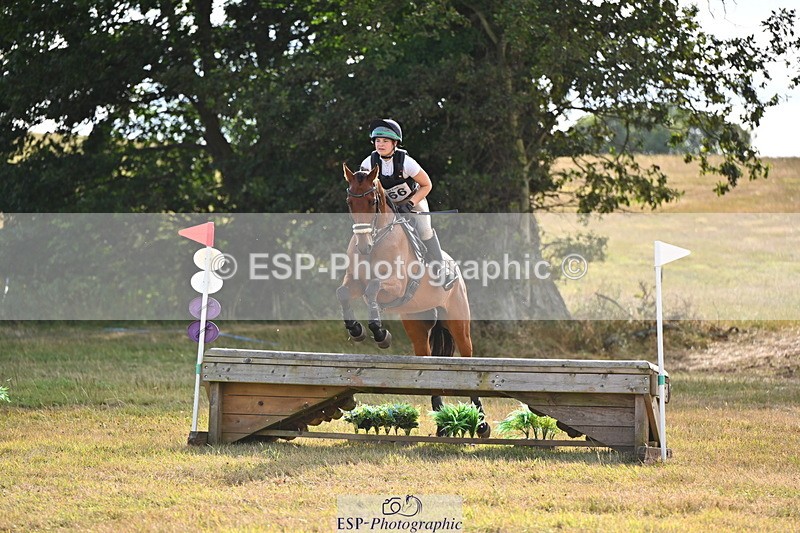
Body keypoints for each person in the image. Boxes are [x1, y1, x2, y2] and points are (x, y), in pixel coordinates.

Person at [360, 118, 457, 290]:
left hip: (412, 201)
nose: (380, 144)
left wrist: (410, 204)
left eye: (385, 141)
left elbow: (427, 185)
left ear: (395, 143)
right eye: (377, 141)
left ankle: (440, 269)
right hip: (386, 206)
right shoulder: (368, 163)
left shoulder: (406, 163)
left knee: (425, 229)